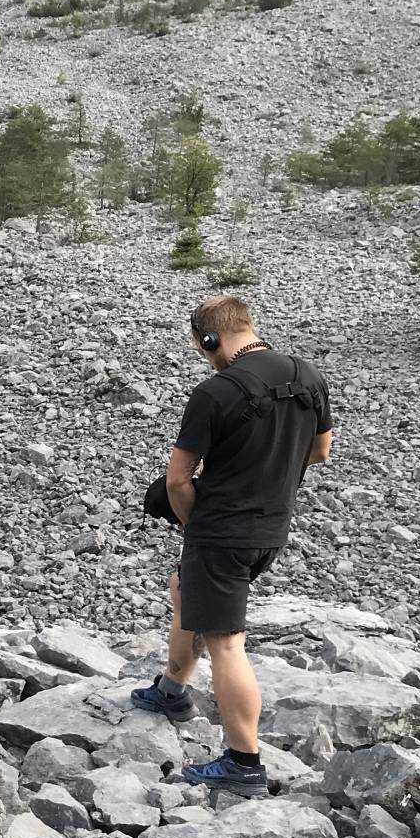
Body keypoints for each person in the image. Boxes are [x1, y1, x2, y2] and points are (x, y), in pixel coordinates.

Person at [131, 296, 334, 792]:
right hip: (271, 528)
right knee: (186, 586)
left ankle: (244, 762)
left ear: (207, 339)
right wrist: (266, 474)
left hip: (222, 532)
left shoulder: (215, 392)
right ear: (249, 324)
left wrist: (194, 523)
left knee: (226, 642)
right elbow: (322, 451)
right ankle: (172, 689)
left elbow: (178, 481)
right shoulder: (307, 376)